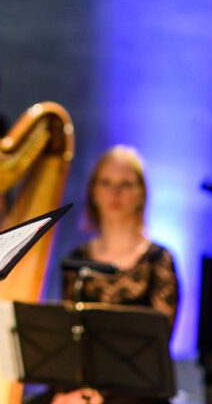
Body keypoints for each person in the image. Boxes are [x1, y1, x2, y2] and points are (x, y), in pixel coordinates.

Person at [53, 146, 180, 404]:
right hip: (83, 389)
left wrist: (102, 395)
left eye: (126, 184)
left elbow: (155, 351)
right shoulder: (77, 258)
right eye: (106, 183)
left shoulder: (159, 261)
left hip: (137, 392)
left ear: (141, 193)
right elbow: (68, 344)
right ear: (94, 191)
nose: (115, 193)